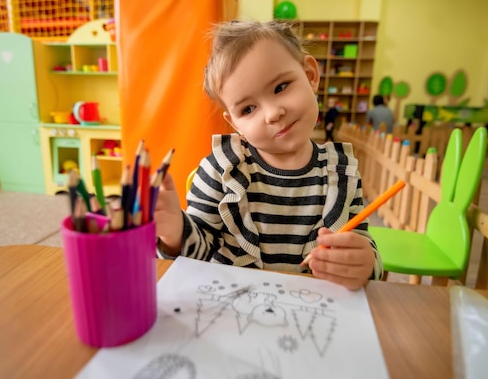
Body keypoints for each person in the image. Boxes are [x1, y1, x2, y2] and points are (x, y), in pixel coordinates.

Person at [154, 20, 382, 290]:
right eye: (248, 109)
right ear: (235, 123)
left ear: (310, 75)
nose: (273, 114)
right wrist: (174, 232)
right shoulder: (219, 170)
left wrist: (365, 262)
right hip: (234, 312)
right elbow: (197, 256)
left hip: (313, 314)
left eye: (280, 87)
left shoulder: (341, 172)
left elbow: (361, 240)